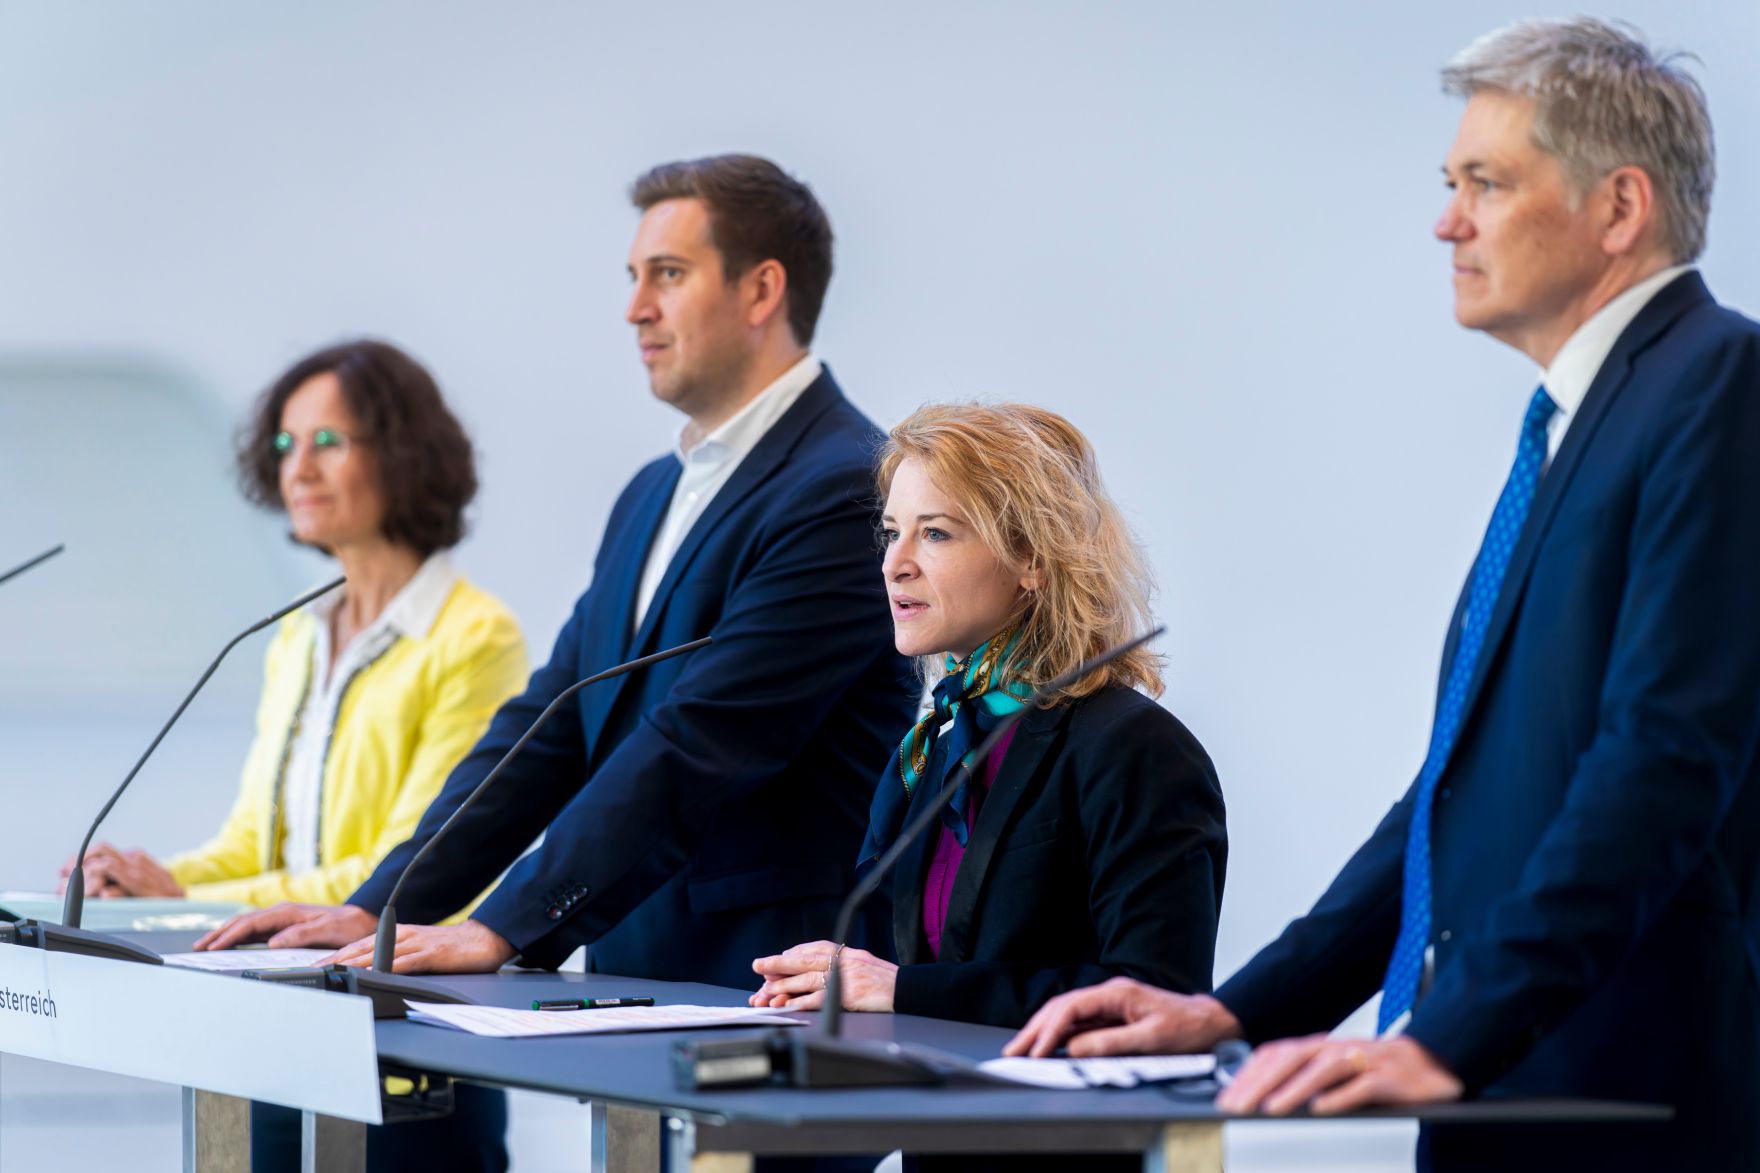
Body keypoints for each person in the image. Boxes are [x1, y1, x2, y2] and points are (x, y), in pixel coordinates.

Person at [1007, 18, 1760, 1170]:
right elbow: (1451, 800)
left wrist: (1448, 1037)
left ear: (1618, 207)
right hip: (1494, 1090)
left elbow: (1662, 760)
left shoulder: (1715, 382)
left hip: (1618, 1099)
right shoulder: (1574, 427)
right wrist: (1237, 1012)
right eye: (1449, 184)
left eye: (1485, 183)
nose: (1445, 221)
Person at [199, 155, 918, 1000]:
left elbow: (704, 738)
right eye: (632, 277)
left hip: (771, 982)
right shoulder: (652, 492)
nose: (635, 307)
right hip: (632, 972)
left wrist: (503, 925)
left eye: (668, 274)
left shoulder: (843, 484)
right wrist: (384, 905)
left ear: (761, 290)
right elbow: (551, 722)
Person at [750, 403, 1226, 1038]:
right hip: (935, 1098)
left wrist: (901, 989)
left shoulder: (1135, 746)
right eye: (892, 532)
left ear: (1031, 558)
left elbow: (1157, 998)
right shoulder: (944, 744)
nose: (894, 563)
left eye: (935, 534)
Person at [64, 339, 528, 910]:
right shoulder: (298, 633)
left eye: (327, 443)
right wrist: (136, 882)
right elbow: (252, 847)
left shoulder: (476, 638)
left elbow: (406, 868)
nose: (299, 470)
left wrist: (181, 896)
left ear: (404, 454)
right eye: (286, 446)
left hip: (395, 958)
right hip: (289, 952)